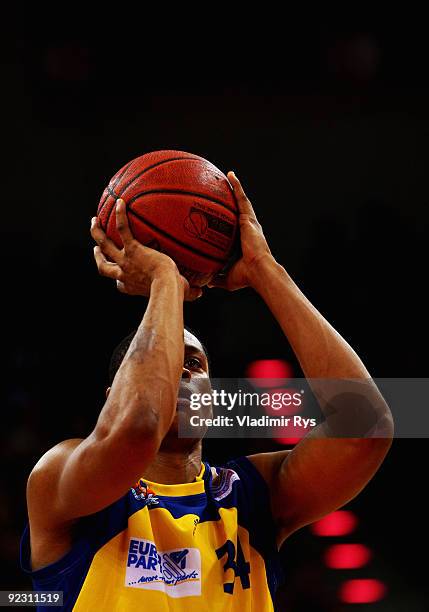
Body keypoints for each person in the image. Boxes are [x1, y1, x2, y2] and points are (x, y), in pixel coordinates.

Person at [21, 171, 393, 611]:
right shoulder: (62, 477)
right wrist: (165, 280)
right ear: (111, 398)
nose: (180, 374)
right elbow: (138, 427)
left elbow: (366, 424)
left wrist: (264, 270)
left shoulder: (251, 496)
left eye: (194, 365)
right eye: (165, 364)